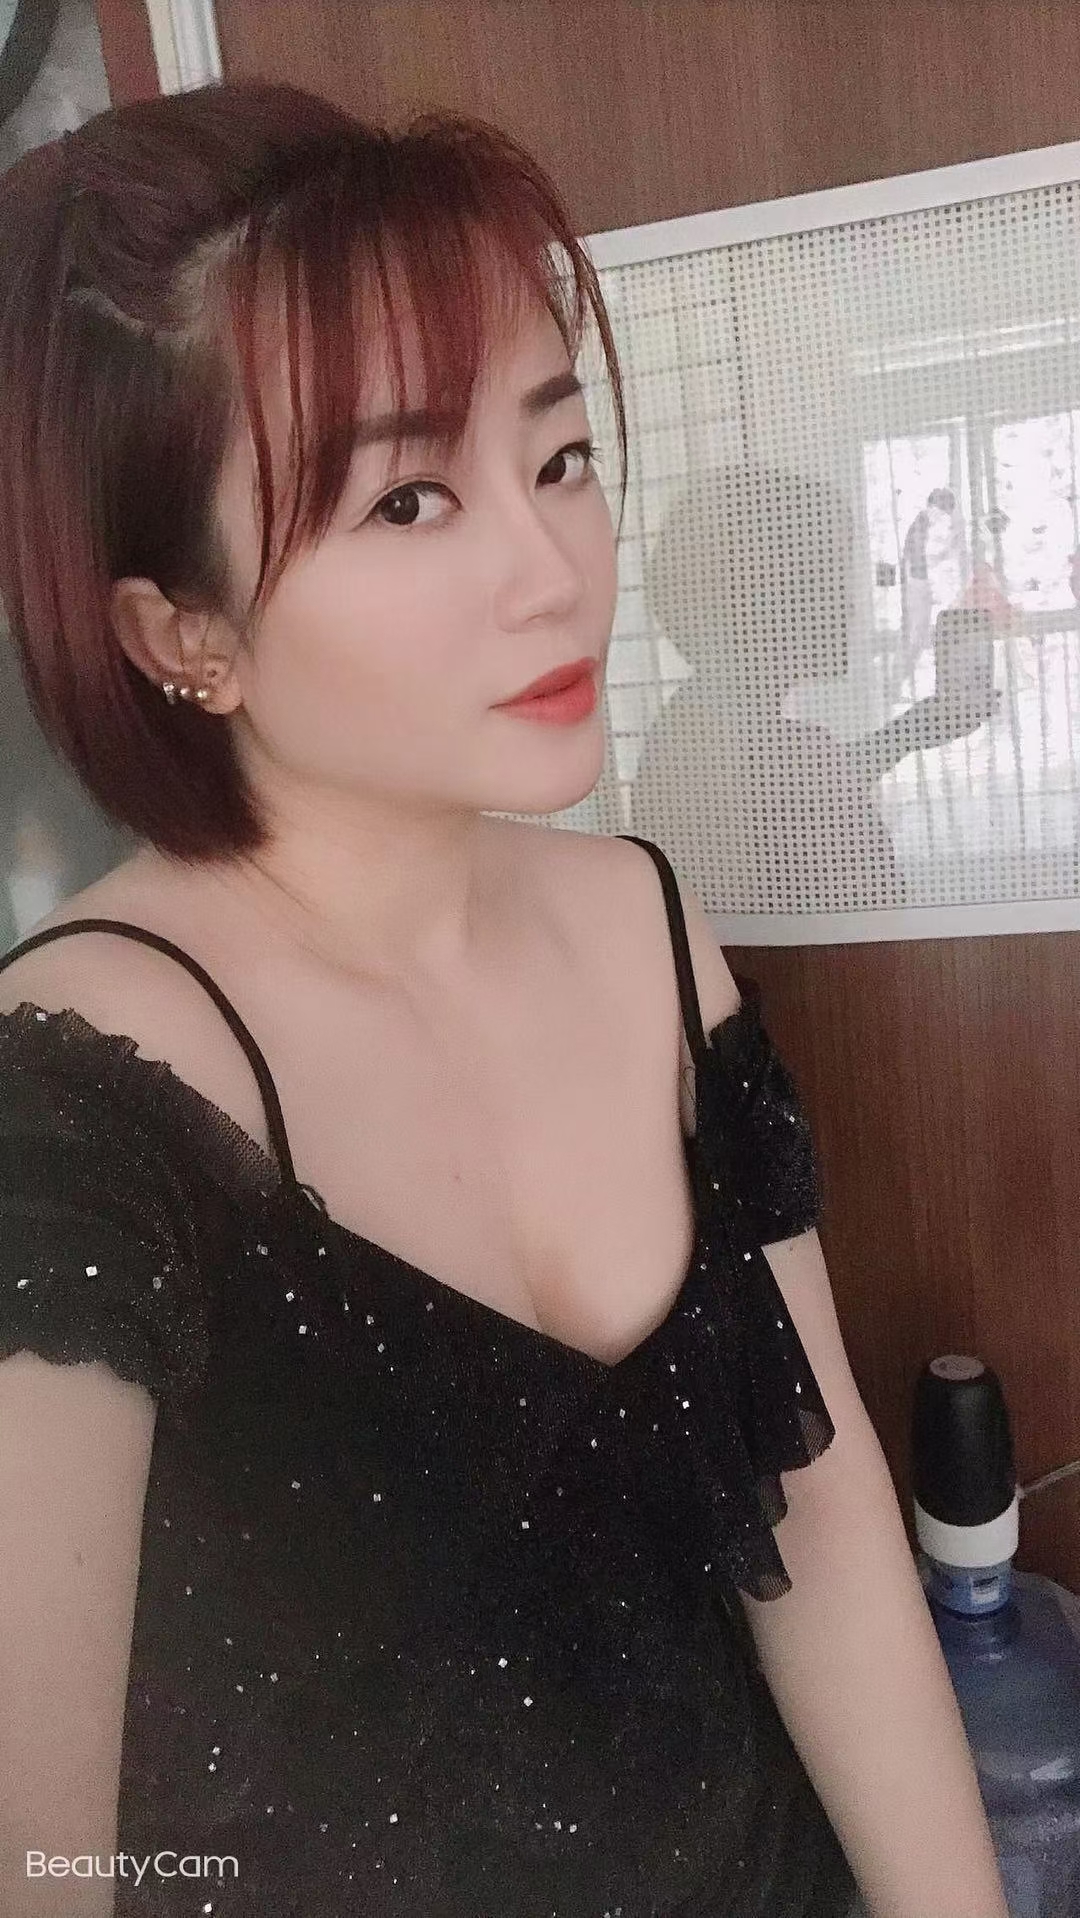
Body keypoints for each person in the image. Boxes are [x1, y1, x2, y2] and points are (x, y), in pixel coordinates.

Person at [0, 81, 1008, 1918]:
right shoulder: (76, 1111)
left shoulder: (650, 924)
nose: (555, 574)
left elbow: (822, 1512)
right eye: (408, 497)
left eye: (558, 457)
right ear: (181, 633)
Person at [629, 465, 1000, 914]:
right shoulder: (776, 752)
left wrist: (909, 732)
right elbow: (878, 911)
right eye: (832, 577)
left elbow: (793, 796)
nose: (850, 604)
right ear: (769, 599)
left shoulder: (692, 725)